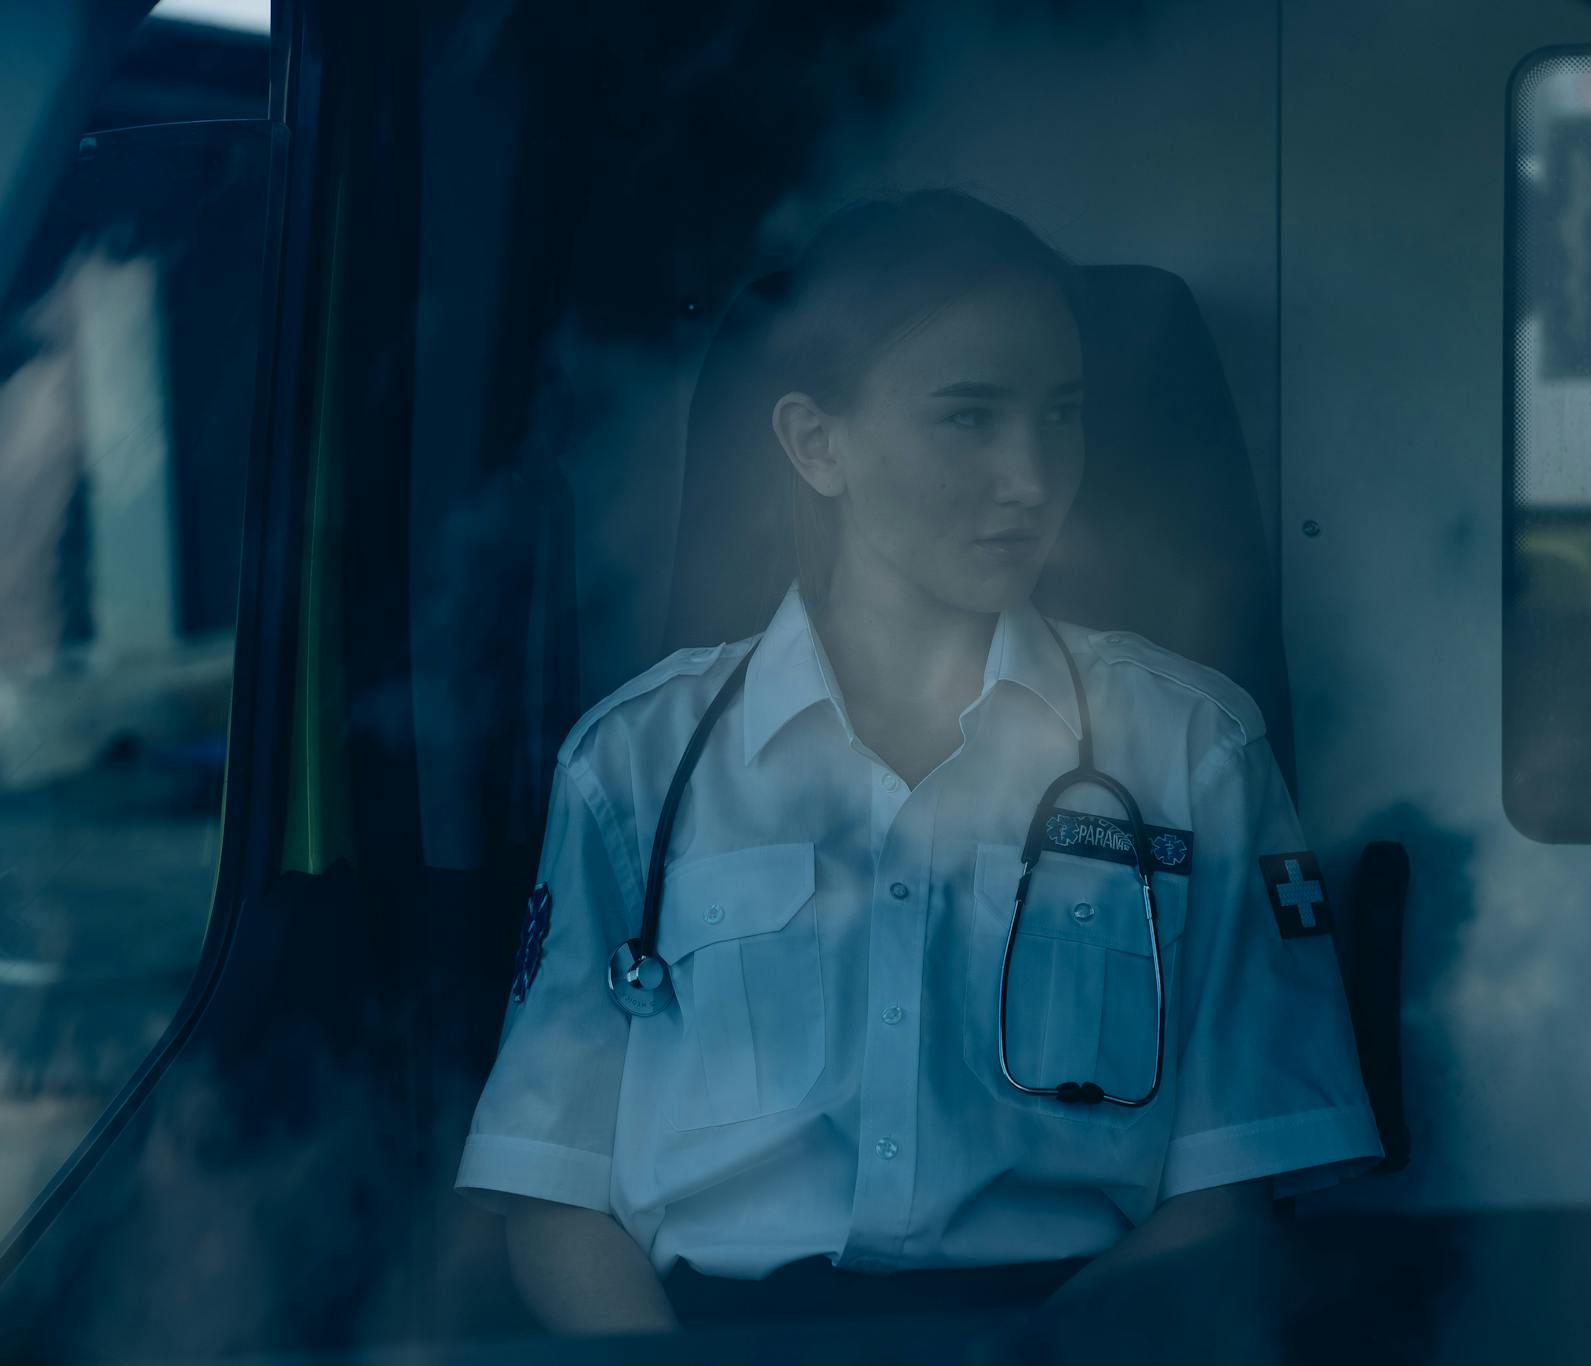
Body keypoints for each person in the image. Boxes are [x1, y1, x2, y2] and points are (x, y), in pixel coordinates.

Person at [454, 189, 1381, 1349]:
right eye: (967, 418)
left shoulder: (1192, 748)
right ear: (815, 444)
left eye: (1060, 415)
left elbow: (1231, 1193)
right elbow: (552, 1190)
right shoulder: (633, 762)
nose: (1032, 478)